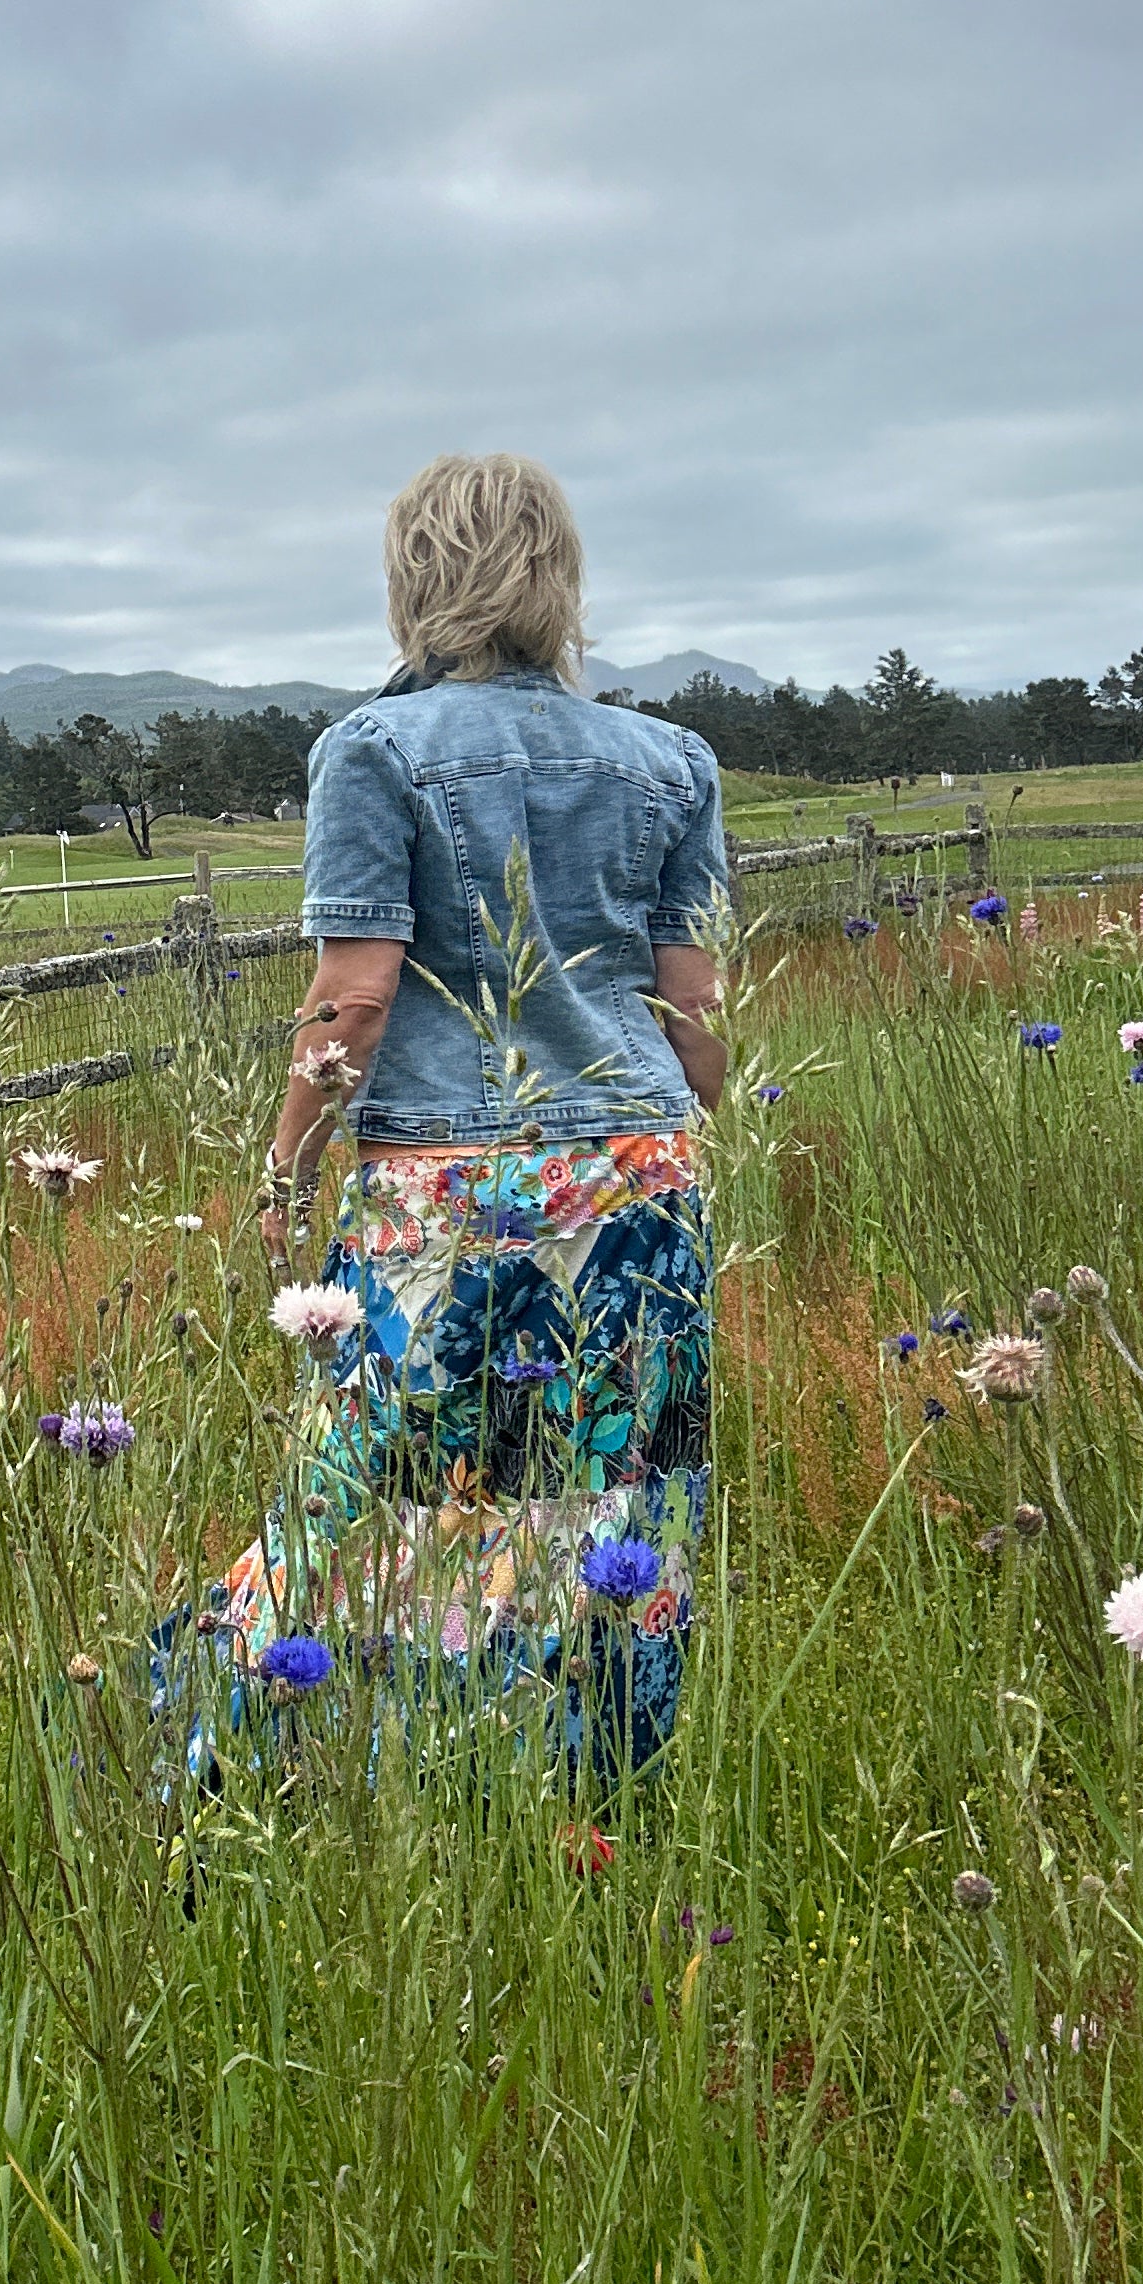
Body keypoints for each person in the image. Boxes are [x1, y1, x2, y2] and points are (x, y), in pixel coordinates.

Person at [211, 451, 730, 1776]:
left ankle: (307, 1760)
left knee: (376, 1498)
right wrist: (669, 1146)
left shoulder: (372, 752)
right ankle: (594, 1774)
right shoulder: (674, 762)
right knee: (618, 1498)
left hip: (451, 1192)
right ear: (558, 578)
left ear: (415, 582)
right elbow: (696, 1011)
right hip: (643, 1177)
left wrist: (282, 1173)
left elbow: (356, 996)